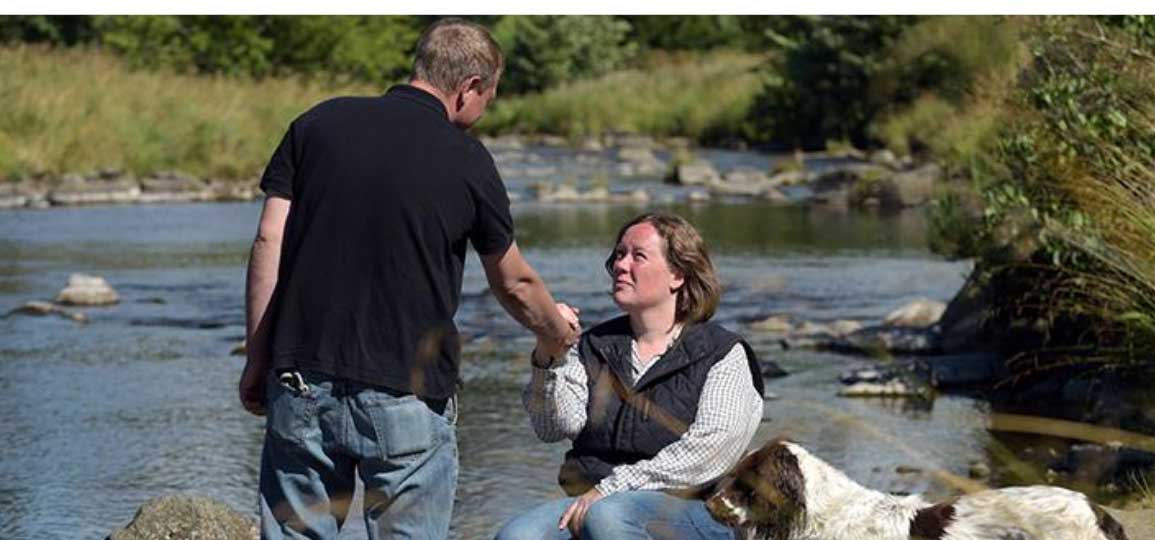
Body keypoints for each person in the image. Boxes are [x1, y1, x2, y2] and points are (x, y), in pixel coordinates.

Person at [238, 18, 580, 539]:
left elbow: (269, 241)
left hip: (301, 379)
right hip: (407, 393)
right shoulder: (468, 160)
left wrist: (259, 358)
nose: (485, 110)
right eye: (489, 96)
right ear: (469, 87)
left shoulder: (316, 124)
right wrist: (555, 332)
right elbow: (514, 283)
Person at [496, 212, 766, 540]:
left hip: (697, 510)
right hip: (596, 499)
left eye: (638, 256)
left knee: (610, 517)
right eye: (620, 255)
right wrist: (551, 351)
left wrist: (613, 488)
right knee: (519, 536)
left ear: (677, 275)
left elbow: (709, 453)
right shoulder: (595, 345)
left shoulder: (723, 353)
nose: (622, 266)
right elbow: (554, 428)